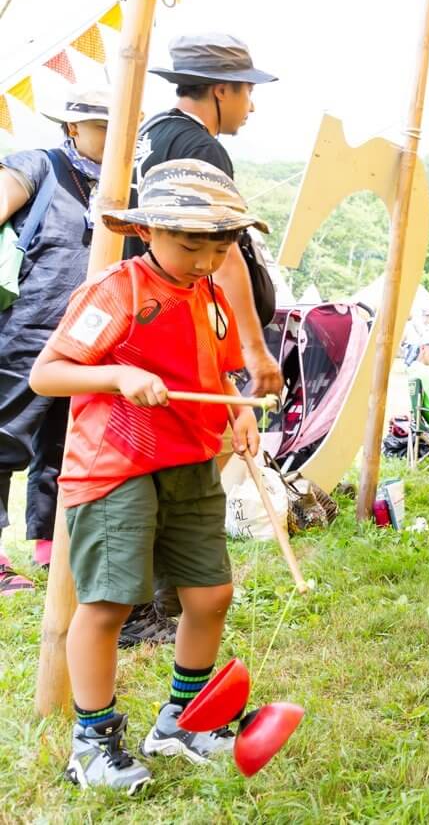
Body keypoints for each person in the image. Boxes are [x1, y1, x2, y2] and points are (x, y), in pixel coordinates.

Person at [28, 160, 263, 792]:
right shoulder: (118, 290)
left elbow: (219, 374)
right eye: (191, 244)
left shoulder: (211, 296)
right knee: (108, 602)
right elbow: (46, 375)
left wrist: (239, 411)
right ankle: (93, 742)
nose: (206, 260)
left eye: (219, 246)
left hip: (191, 460)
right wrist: (117, 375)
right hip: (116, 467)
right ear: (149, 230)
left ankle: (183, 720)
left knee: (210, 594)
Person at [120, 34, 283, 645]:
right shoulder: (198, 144)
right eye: (247, 92)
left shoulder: (152, 133)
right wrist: (252, 349)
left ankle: (162, 597)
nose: (251, 107)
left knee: (183, 448)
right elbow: (227, 249)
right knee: (176, 452)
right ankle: (142, 606)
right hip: (173, 313)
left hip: (153, 310)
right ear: (221, 90)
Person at [0, 88, 110, 593]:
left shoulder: (120, 190)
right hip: (25, 328)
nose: (114, 138)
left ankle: (49, 551)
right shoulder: (37, 166)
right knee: (4, 436)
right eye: (101, 126)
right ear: (73, 128)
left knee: (64, 444)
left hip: (90, 338)